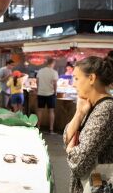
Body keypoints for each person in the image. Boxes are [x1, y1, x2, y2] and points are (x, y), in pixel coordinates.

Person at [63, 52, 113, 193]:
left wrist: (70, 150)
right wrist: (79, 113)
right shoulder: (90, 105)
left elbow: (79, 162)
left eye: (77, 79)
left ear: (91, 78)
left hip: (98, 185)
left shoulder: (106, 109)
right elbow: (66, 138)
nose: (74, 84)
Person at [36, 57, 59, 133]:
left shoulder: (40, 71)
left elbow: (37, 81)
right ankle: (51, 129)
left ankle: (38, 127)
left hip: (41, 93)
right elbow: (55, 83)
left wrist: (38, 89)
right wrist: (55, 92)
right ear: (52, 63)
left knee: (40, 110)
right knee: (51, 111)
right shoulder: (54, 72)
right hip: (50, 93)